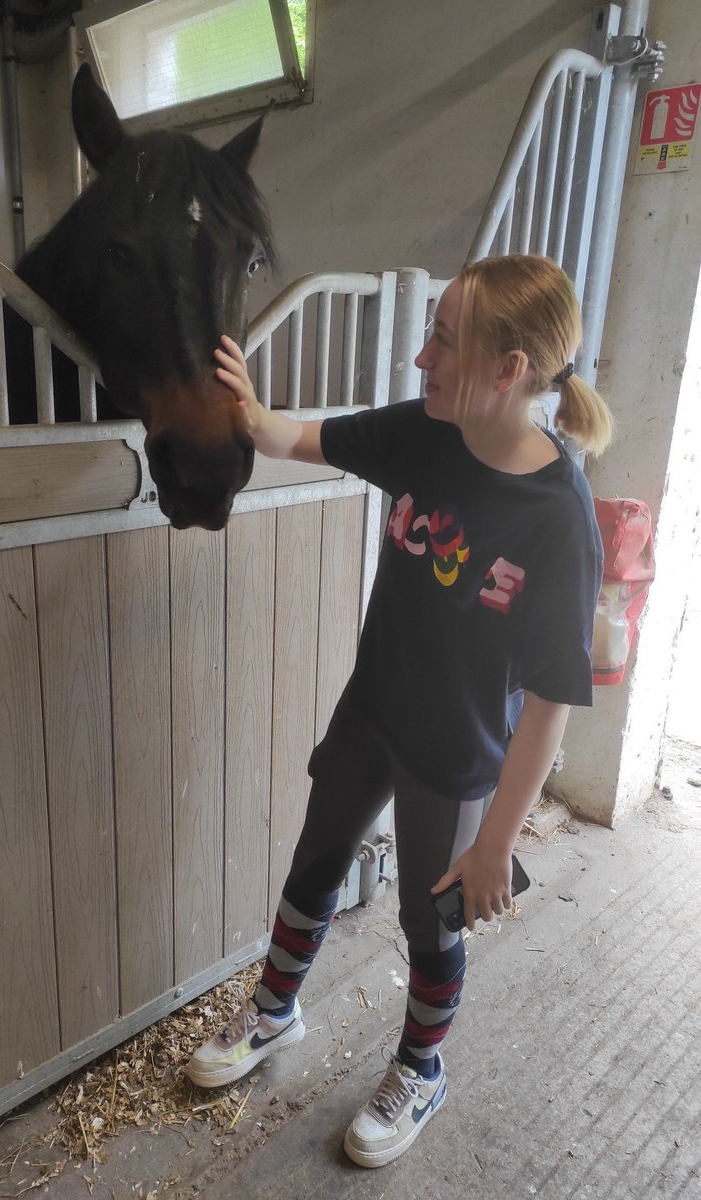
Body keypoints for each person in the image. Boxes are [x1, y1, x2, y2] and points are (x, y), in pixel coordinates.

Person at [185, 254, 611, 1168]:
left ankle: (422, 1067)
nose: (421, 359)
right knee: (316, 858)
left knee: (432, 922)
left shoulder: (558, 516)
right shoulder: (426, 430)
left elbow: (549, 703)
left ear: (510, 372)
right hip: (372, 705)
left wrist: (497, 840)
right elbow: (295, 439)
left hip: (455, 752)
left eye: (443, 340)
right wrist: (243, 403)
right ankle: (275, 1014)